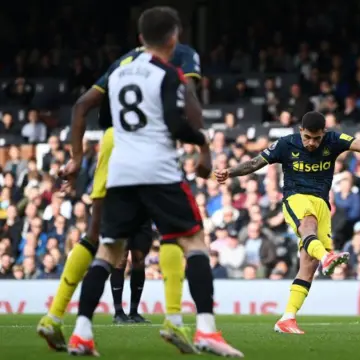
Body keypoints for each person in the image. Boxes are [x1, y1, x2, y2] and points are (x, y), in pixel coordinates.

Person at [62, 7, 242, 357]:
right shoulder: (169, 73)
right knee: (194, 242)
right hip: (157, 170)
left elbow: (94, 112)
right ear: (174, 38)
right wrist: (203, 143)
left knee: (108, 250)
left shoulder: (117, 76)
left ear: (140, 39)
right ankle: (206, 329)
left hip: (120, 173)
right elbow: (177, 125)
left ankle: (81, 332)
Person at [35, 11, 204, 352]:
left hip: (114, 143)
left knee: (96, 235)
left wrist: (77, 158)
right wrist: (201, 143)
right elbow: (187, 100)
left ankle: (54, 316)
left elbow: (82, 105)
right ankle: (175, 319)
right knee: (177, 230)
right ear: (174, 34)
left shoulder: (124, 61)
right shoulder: (180, 55)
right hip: (149, 144)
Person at [215, 111, 360, 334]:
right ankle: (327, 257)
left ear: (324, 133)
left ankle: (287, 318)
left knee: (308, 266)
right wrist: (230, 172)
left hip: (322, 203)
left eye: (317, 138)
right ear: (301, 131)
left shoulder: (334, 140)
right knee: (308, 225)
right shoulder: (285, 144)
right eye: (307, 138)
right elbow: (255, 163)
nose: (312, 143)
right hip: (296, 198)